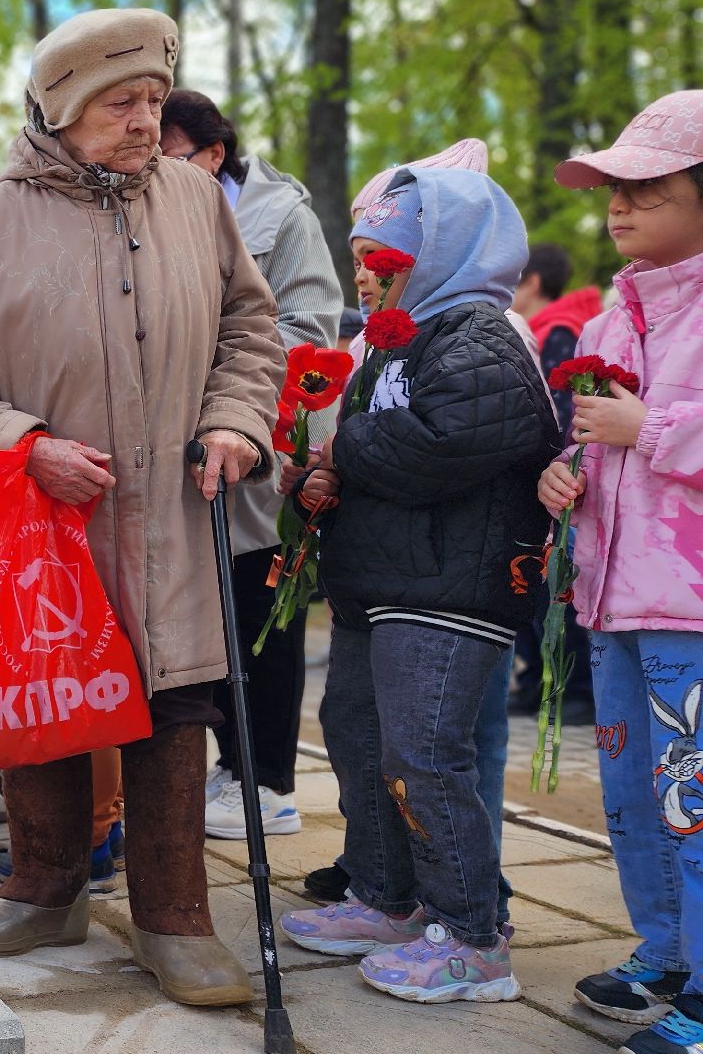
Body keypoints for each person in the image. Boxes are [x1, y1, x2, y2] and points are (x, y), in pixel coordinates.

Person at [0, 9, 284, 1006]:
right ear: (62, 108)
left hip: (171, 515)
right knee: (48, 704)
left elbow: (250, 323)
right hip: (49, 522)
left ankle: (175, 919)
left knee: (172, 706)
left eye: (155, 100)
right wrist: (24, 446)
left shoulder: (200, 203)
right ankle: (41, 889)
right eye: (122, 102)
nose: (145, 119)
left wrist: (238, 419)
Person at [277, 167, 559, 1004]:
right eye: (359, 256)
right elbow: (379, 444)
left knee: (425, 756)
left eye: (383, 257)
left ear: (440, 252)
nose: (365, 273)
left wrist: (348, 452)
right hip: (384, 580)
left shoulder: (477, 333)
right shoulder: (396, 342)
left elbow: (453, 440)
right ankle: (385, 898)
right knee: (359, 738)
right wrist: (326, 480)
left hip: (447, 588)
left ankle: (474, 938)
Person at [537, 90, 703, 1054]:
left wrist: (656, 431)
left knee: (694, 791)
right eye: (613, 189)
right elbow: (595, 449)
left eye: (649, 187)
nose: (620, 207)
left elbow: (648, 437)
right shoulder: (607, 325)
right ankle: (666, 949)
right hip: (610, 598)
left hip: (687, 607)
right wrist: (569, 476)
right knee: (635, 790)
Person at [160, 89, 342, 841]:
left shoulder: (281, 218)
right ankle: (228, 768)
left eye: (172, 156)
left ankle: (268, 782)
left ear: (212, 154)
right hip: (182, 452)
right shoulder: (155, 215)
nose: (157, 170)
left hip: (262, 455)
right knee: (206, 622)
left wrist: (216, 370)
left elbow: (309, 327)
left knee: (263, 618)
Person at [509, 241, 602, 720]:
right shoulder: (549, 328)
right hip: (546, 481)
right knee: (537, 589)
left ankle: (575, 688)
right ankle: (535, 681)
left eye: (515, 279)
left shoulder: (561, 331)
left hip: (561, 482)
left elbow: (561, 414)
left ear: (534, 283)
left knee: (559, 589)